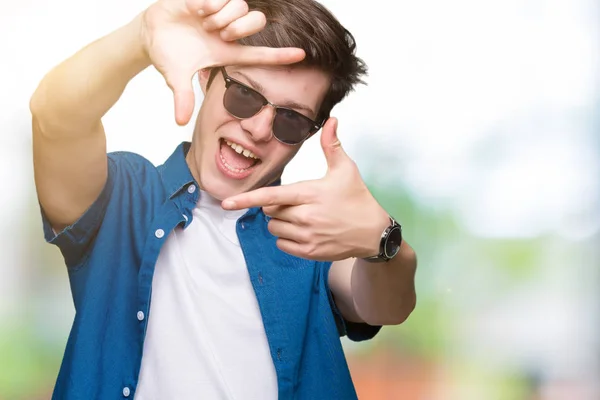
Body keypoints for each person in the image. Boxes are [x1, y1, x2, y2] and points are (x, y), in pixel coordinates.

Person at [29, 0, 417, 398]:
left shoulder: (310, 233)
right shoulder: (123, 198)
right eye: (245, 95)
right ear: (206, 76)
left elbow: (387, 307)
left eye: (290, 119)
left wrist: (384, 242)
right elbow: (54, 117)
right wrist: (139, 38)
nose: (259, 127)